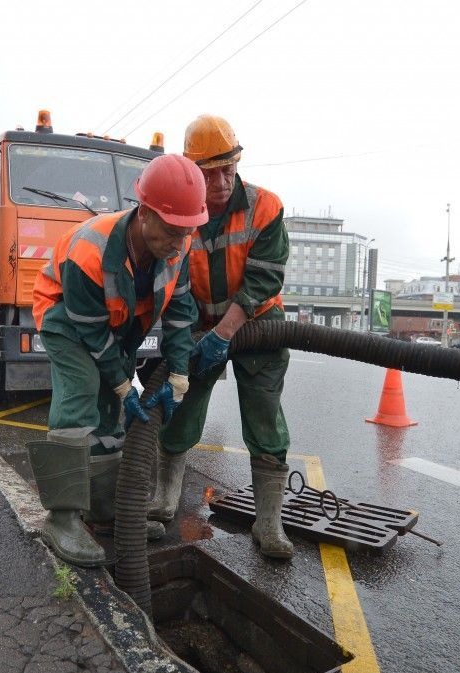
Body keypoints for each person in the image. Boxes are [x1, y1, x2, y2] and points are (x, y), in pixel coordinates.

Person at [28, 154, 206, 567]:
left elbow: (180, 315)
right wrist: (124, 382)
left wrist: (179, 373)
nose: (179, 242)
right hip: (66, 319)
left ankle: (106, 513)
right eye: (171, 230)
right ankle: (61, 518)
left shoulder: (179, 243)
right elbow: (90, 331)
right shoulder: (90, 250)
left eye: (187, 231)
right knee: (82, 395)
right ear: (144, 213)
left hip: (123, 326)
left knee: (112, 414)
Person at [148, 115, 295, 560]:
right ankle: (163, 501)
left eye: (227, 168)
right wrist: (197, 337)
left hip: (258, 325)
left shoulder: (265, 207)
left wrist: (226, 333)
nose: (219, 181)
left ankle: (269, 522)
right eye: (209, 172)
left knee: (265, 418)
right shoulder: (183, 214)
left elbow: (263, 279)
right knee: (180, 404)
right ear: (192, 171)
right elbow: (176, 281)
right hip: (199, 328)